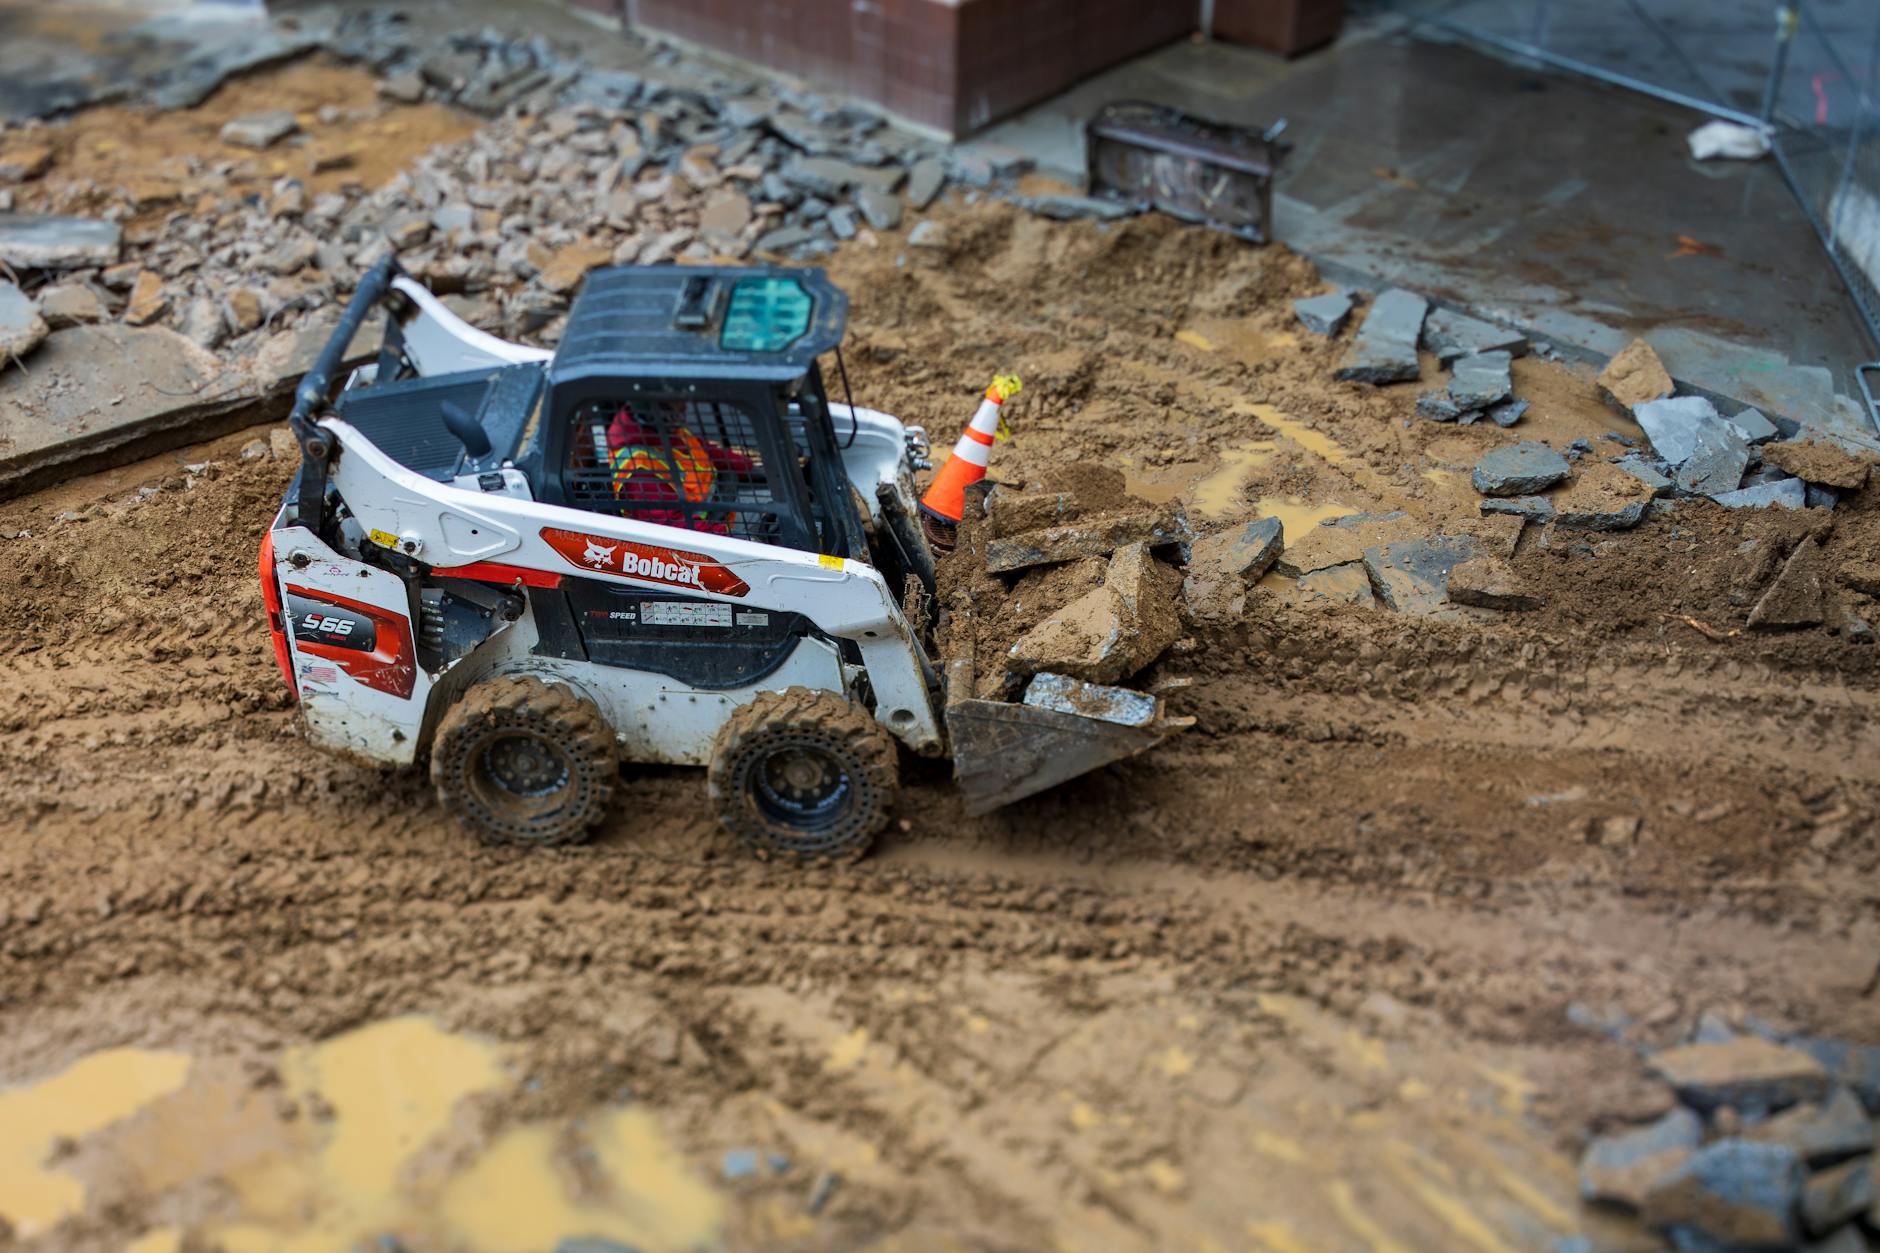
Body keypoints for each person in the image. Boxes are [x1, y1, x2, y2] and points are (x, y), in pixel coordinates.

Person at [605, 404, 754, 534]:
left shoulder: (666, 430)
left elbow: (702, 448)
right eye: (676, 401)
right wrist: (730, 536)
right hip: (705, 537)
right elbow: (673, 528)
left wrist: (745, 464)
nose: (684, 406)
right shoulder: (640, 470)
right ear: (657, 407)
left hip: (719, 511)